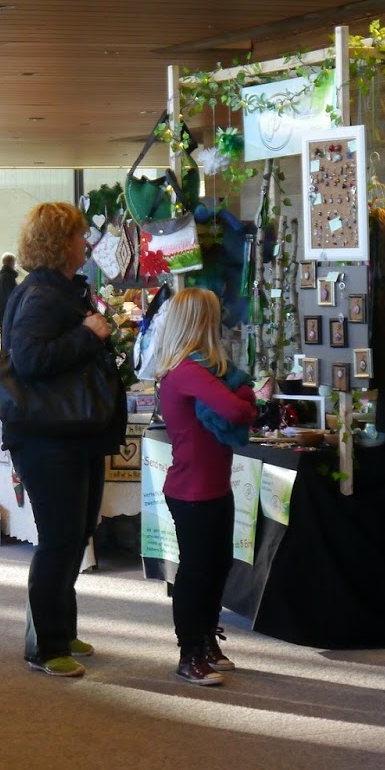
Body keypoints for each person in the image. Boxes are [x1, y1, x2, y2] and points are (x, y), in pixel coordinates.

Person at [0, 202, 126, 679]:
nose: (84, 244)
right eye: (77, 236)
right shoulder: (43, 295)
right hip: (47, 436)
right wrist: (90, 334)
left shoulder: (59, 290)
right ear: (60, 242)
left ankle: (61, 628)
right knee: (59, 539)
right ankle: (46, 644)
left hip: (72, 432)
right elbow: (31, 360)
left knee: (77, 534)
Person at [153, 287, 257, 686]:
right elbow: (237, 408)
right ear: (201, 323)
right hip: (191, 490)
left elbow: (240, 398)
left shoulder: (204, 370)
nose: (221, 324)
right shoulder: (187, 372)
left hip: (213, 486)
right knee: (197, 573)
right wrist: (247, 403)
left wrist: (244, 399)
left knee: (216, 568)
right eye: (214, 317)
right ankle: (189, 652)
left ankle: (206, 641)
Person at [0, 252, 17, 327]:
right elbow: (12, 297)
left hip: (2, 314)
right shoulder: (8, 277)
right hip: (8, 314)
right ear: (11, 263)